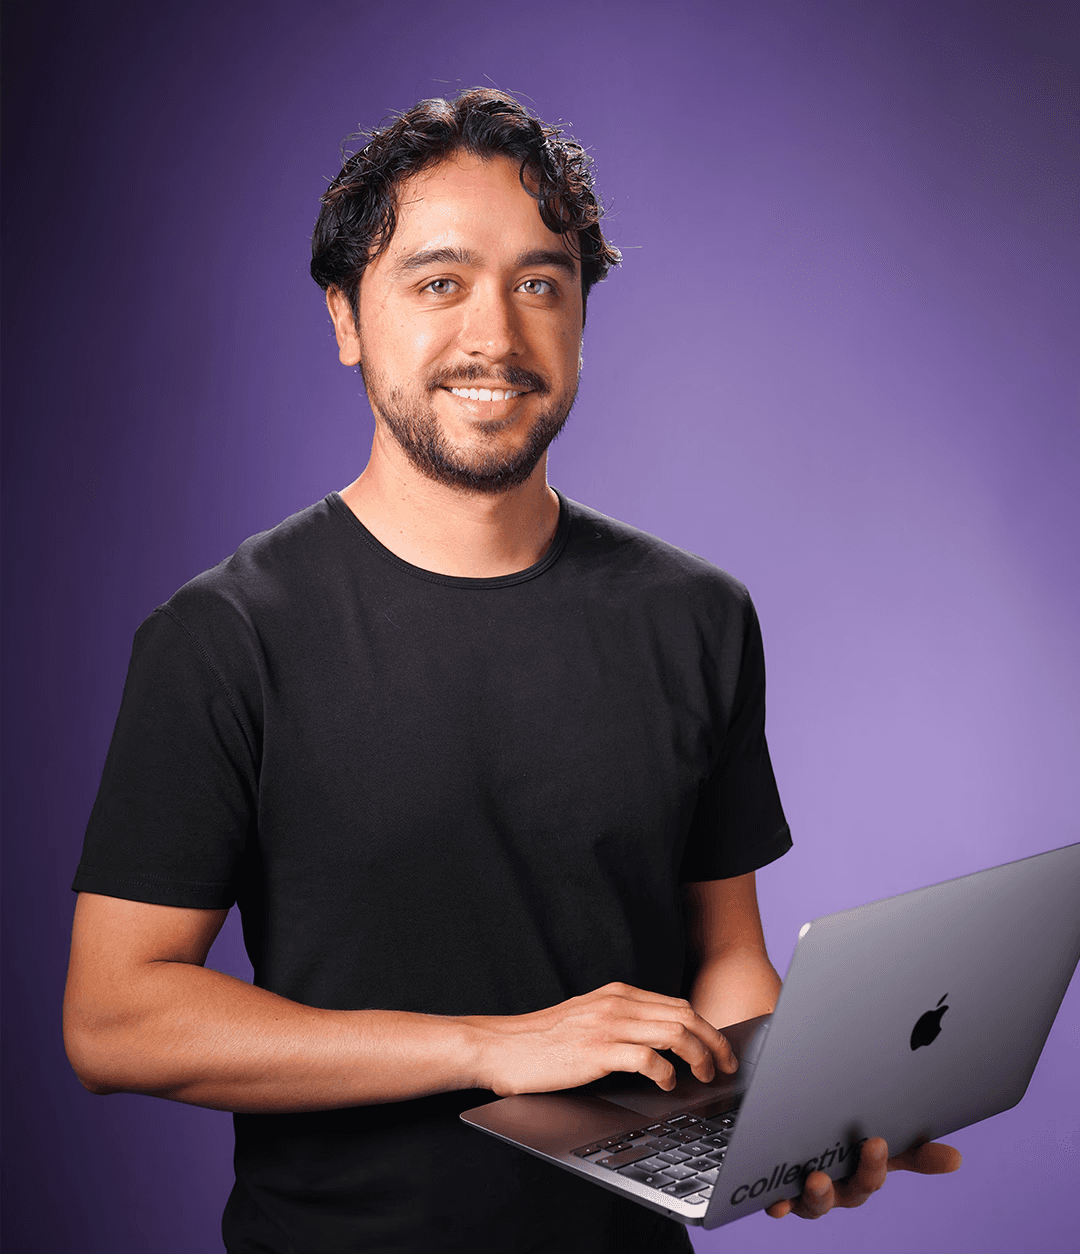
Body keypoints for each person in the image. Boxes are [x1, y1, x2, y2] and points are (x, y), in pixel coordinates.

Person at [63, 88, 959, 1253]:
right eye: (438, 282)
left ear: (582, 316)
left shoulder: (696, 616)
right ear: (345, 316)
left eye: (541, 283)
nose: (495, 334)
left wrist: (787, 1122)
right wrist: (494, 1044)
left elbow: (727, 953)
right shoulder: (223, 637)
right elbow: (117, 1019)